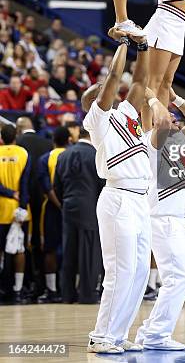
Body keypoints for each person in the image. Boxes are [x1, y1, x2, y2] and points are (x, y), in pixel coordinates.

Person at [82, 27, 171, 354]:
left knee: (137, 273)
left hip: (138, 200)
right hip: (117, 197)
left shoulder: (126, 116)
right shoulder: (98, 120)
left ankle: (117, 335)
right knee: (119, 271)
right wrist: (123, 44)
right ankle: (100, 335)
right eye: (105, 91)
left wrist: (144, 46)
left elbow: (137, 81)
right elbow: (117, 76)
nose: (113, 93)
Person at [136, 88, 185, 350]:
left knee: (177, 279)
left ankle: (149, 332)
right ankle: (156, 335)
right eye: (172, 118)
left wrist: (176, 98)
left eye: (177, 117)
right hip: (164, 218)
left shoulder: (181, 141)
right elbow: (163, 121)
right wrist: (154, 96)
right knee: (177, 279)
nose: (176, 120)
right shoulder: (152, 142)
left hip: (178, 219)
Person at [54, 126, 103, 305]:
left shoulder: (63, 155)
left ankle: (67, 295)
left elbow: (56, 186)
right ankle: (87, 295)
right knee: (89, 253)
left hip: (68, 207)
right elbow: (102, 185)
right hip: (90, 208)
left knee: (69, 252)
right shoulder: (97, 155)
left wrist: (65, 202)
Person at [15, 116, 53, 294]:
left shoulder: (17, 144)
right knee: (44, 242)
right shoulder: (47, 143)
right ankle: (45, 284)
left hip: (24, 201)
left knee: (24, 243)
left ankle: (26, 283)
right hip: (47, 199)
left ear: (18, 129)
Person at [36, 126, 70, 303]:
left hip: (51, 207)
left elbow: (46, 186)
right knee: (73, 248)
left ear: (53, 141)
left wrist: (58, 204)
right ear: (69, 140)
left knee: (49, 248)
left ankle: (52, 290)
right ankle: (72, 288)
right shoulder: (72, 155)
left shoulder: (45, 158)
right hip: (71, 207)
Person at [0, 124, 31, 303]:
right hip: (17, 210)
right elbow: (25, 184)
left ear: (2, 138)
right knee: (19, 249)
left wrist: (8, 192)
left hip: (1, 209)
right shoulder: (23, 153)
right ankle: (18, 290)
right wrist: (23, 207)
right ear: (16, 137)